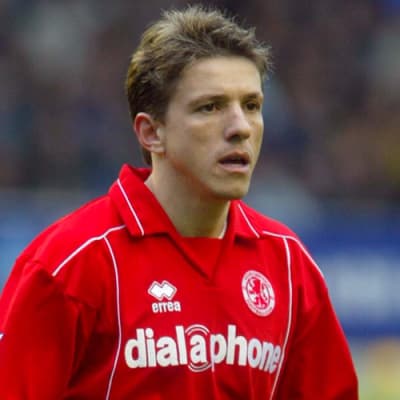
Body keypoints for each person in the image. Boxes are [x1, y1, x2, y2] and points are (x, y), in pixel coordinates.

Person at [0, 5, 358, 399]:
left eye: (251, 106)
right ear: (151, 133)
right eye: (210, 107)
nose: (240, 127)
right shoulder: (71, 265)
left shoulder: (289, 265)